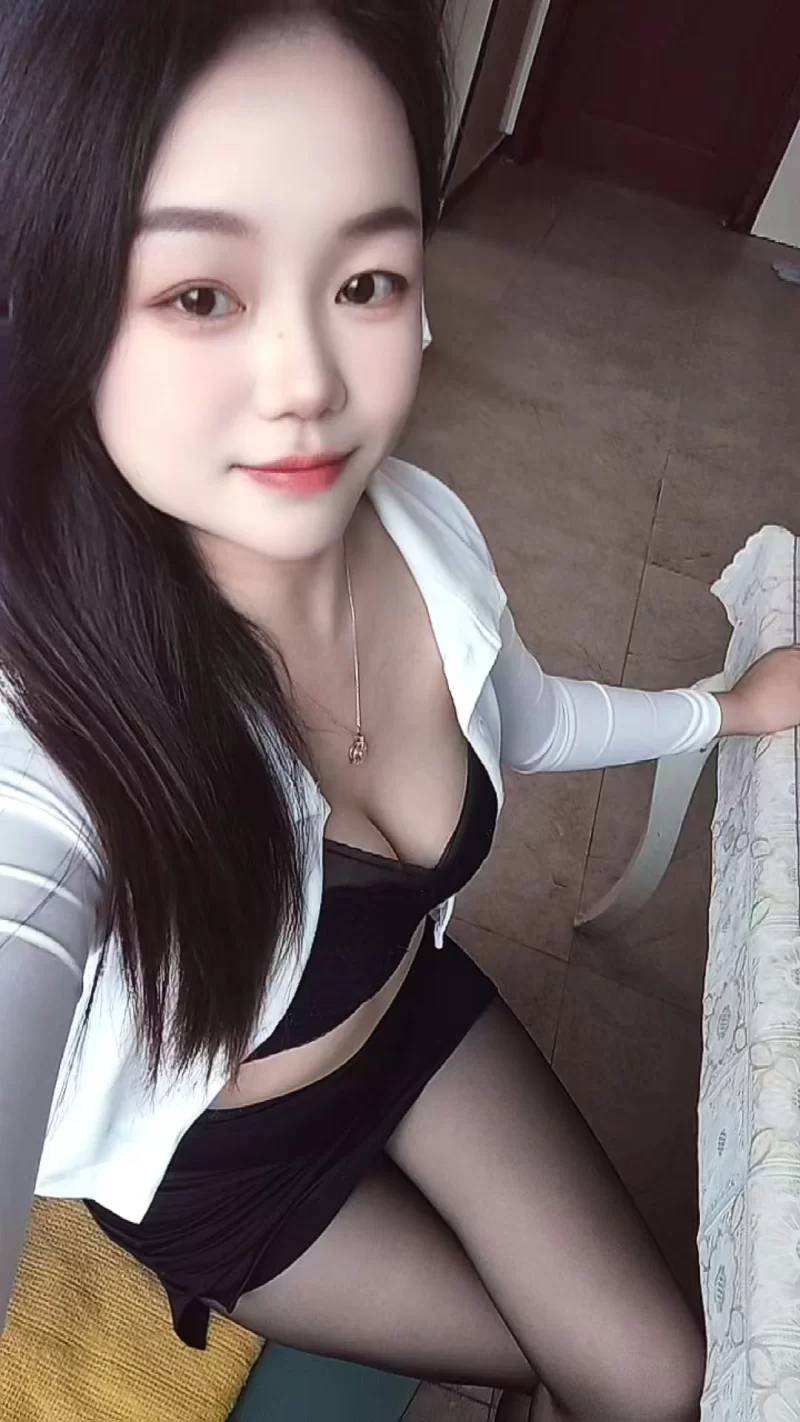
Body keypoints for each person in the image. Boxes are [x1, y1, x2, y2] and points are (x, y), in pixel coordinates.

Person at [1, 3, 799, 1418]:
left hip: (414, 1021)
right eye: (202, 295)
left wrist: (718, 713)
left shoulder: (423, 532)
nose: (308, 382)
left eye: (363, 280)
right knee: (552, 1365)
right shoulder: (45, 728)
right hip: (231, 1183)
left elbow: (524, 718)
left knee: (658, 1377)